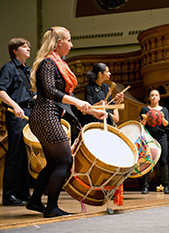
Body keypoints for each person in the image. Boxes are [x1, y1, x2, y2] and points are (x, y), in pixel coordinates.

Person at [26, 26, 107, 217]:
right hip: (45, 115)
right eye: (69, 40)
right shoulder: (48, 63)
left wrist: (92, 111)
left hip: (47, 115)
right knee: (65, 160)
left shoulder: (57, 64)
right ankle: (52, 208)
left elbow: (63, 99)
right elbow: (50, 92)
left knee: (54, 163)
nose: (71, 44)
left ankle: (35, 200)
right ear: (58, 42)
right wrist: (78, 101)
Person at [0, 38, 36, 206]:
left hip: (29, 112)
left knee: (24, 155)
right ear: (15, 50)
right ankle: (8, 195)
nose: (28, 48)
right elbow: (1, 91)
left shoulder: (27, 70)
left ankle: (22, 193)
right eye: (24, 46)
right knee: (15, 153)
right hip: (17, 113)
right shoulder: (8, 68)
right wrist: (15, 105)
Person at [139, 89, 169, 194]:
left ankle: (166, 185)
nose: (154, 97)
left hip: (161, 136)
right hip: (148, 137)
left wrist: (162, 117)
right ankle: (145, 187)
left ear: (159, 97)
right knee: (147, 160)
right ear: (149, 98)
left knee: (163, 161)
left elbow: (166, 124)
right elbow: (141, 126)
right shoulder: (144, 109)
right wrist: (144, 122)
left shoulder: (164, 110)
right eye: (152, 95)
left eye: (156, 95)